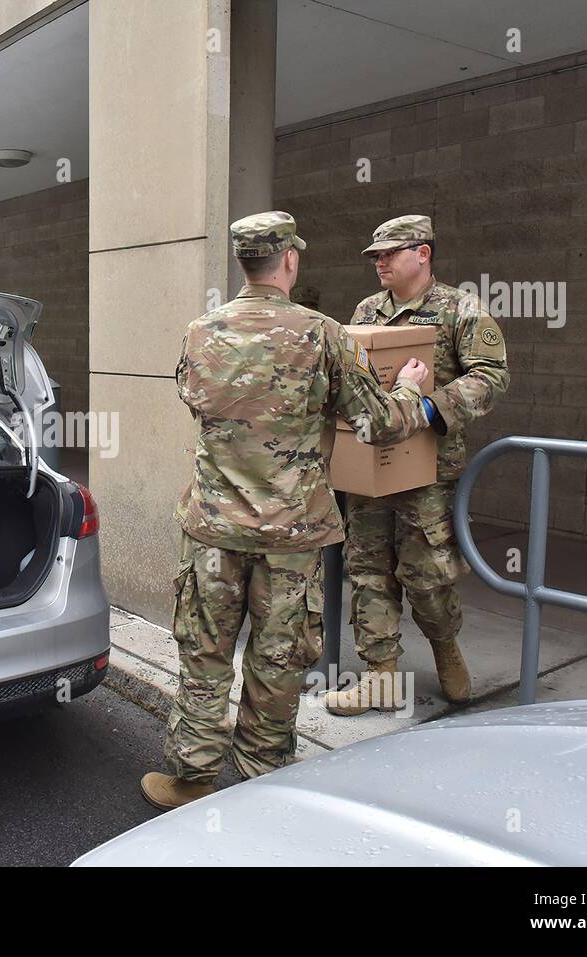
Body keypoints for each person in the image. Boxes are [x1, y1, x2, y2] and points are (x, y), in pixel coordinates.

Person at [140, 211, 430, 811]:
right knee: (280, 654)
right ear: (290, 260)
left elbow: (195, 400)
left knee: (205, 650)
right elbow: (378, 425)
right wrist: (410, 387)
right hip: (291, 535)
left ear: (244, 262)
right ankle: (262, 778)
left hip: (213, 529)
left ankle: (191, 775)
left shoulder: (201, 331)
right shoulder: (324, 334)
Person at [325, 215, 510, 716]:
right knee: (367, 571)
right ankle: (379, 676)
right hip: (370, 463)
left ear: (423, 253)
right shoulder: (368, 310)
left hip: (428, 470)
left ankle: (446, 648)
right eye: (375, 255)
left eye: (389, 253)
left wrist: (433, 406)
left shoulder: (460, 309)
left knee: (428, 574)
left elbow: (492, 376)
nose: (379, 261)